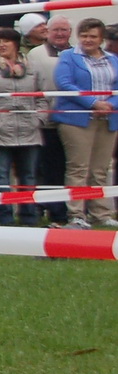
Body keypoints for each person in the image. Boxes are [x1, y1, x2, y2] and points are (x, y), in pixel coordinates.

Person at [0, 27, 46, 226]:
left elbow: (43, 97)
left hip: (29, 131)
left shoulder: (34, 67)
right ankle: (4, 218)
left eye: (6, 41)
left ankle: (29, 217)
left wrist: (37, 119)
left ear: (16, 43)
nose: (1, 45)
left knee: (28, 176)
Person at [53, 17, 118, 230]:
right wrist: (93, 103)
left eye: (93, 36)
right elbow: (64, 83)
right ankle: (77, 214)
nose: (87, 40)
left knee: (101, 168)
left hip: (108, 118)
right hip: (76, 120)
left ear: (101, 39)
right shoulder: (68, 57)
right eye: (84, 35)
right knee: (78, 168)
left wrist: (108, 104)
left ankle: (102, 213)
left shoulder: (113, 59)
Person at [27, 16, 74, 225]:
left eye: (64, 30)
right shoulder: (36, 54)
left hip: (72, 120)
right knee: (47, 169)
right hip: (46, 121)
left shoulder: (76, 53)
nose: (60, 33)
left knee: (71, 169)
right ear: (48, 32)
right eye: (56, 30)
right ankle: (52, 211)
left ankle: (71, 210)